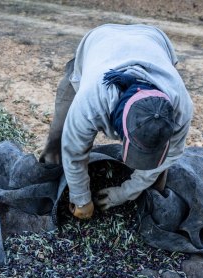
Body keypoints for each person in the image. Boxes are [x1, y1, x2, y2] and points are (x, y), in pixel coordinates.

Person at [40, 24, 193, 219]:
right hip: (100, 41)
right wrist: (81, 199)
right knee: (59, 138)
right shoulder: (91, 101)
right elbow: (74, 151)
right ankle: (53, 181)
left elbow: (171, 155)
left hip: (151, 40)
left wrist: (126, 192)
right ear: (120, 128)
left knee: (159, 173)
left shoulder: (181, 107)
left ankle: (149, 200)